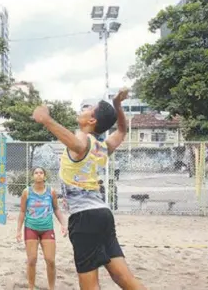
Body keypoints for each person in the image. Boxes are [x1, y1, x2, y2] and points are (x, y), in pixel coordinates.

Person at [32, 88, 146, 290]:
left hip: (84, 218)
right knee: (124, 278)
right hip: (103, 215)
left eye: (88, 108)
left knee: (90, 285)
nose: (83, 110)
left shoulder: (83, 138)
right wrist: (118, 105)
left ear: (91, 121)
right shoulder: (102, 146)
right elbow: (121, 131)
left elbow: (77, 145)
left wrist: (47, 120)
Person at [16, 167, 67, 290]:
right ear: (33, 176)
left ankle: (51, 288)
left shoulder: (51, 192)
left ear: (45, 176)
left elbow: (56, 209)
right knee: (32, 260)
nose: (38, 175)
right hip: (31, 228)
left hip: (47, 228)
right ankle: (31, 287)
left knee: (50, 260)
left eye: (41, 173)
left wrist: (63, 224)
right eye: (36, 173)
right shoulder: (26, 192)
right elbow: (22, 211)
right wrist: (18, 230)